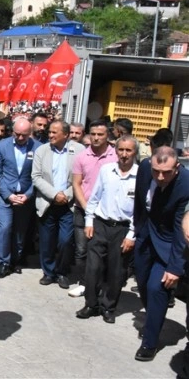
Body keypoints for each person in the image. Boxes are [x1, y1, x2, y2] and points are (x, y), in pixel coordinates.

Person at [132, 146, 189, 361]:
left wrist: (175, 267)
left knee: (156, 287)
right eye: (156, 171)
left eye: (166, 172)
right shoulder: (145, 167)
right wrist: (136, 230)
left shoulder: (186, 185)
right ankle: (154, 316)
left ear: (177, 167)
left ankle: (150, 342)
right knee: (143, 283)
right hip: (145, 236)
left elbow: (181, 230)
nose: (160, 177)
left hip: (169, 243)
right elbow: (139, 201)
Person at [77, 135, 138, 323]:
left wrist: (132, 235)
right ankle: (91, 304)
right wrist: (89, 221)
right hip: (101, 224)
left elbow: (141, 210)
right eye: (121, 150)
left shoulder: (141, 176)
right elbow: (94, 197)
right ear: (116, 150)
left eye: (128, 150)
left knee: (116, 271)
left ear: (135, 152)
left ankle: (108, 307)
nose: (124, 154)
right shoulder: (106, 170)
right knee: (93, 268)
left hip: (122, 229)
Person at [32, 121, 85, 288]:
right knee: (47, 242)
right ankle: (48, 272)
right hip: (47, 202)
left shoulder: (79, 150)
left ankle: (62, 272)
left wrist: (66, 195)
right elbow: (36, 177)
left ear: (66, 134)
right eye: (50, 132)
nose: (50, 135)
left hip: (68, 204)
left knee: (65, 241)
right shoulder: (42, 150)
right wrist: (54, 195)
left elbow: (82, 178)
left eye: (55, 132)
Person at [69, 119, 116, 297]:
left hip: (106, 213)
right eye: (93, 134)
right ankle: (84, 283)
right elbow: (76, 183)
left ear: (107, 136)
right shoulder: (81, 156)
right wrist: (86, 207)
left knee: (103, 251)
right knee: (82, 250)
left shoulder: (116, 156)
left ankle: (101, 284)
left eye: (100, 134)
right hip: (83, 209)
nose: (96, 138)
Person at [0, 117, 41, 278]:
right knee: (4, 228)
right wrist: (8, 195)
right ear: (12, 131)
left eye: (24, 135)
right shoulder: (2, 146)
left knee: (20, 232)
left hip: (25, 197)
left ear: (30, 133)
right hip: (5, 195)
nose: (20, 138)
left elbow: (38, 176)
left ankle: (15, 260)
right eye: (17, 134)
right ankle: (3, 262)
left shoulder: (38, 148)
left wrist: (28, 195)